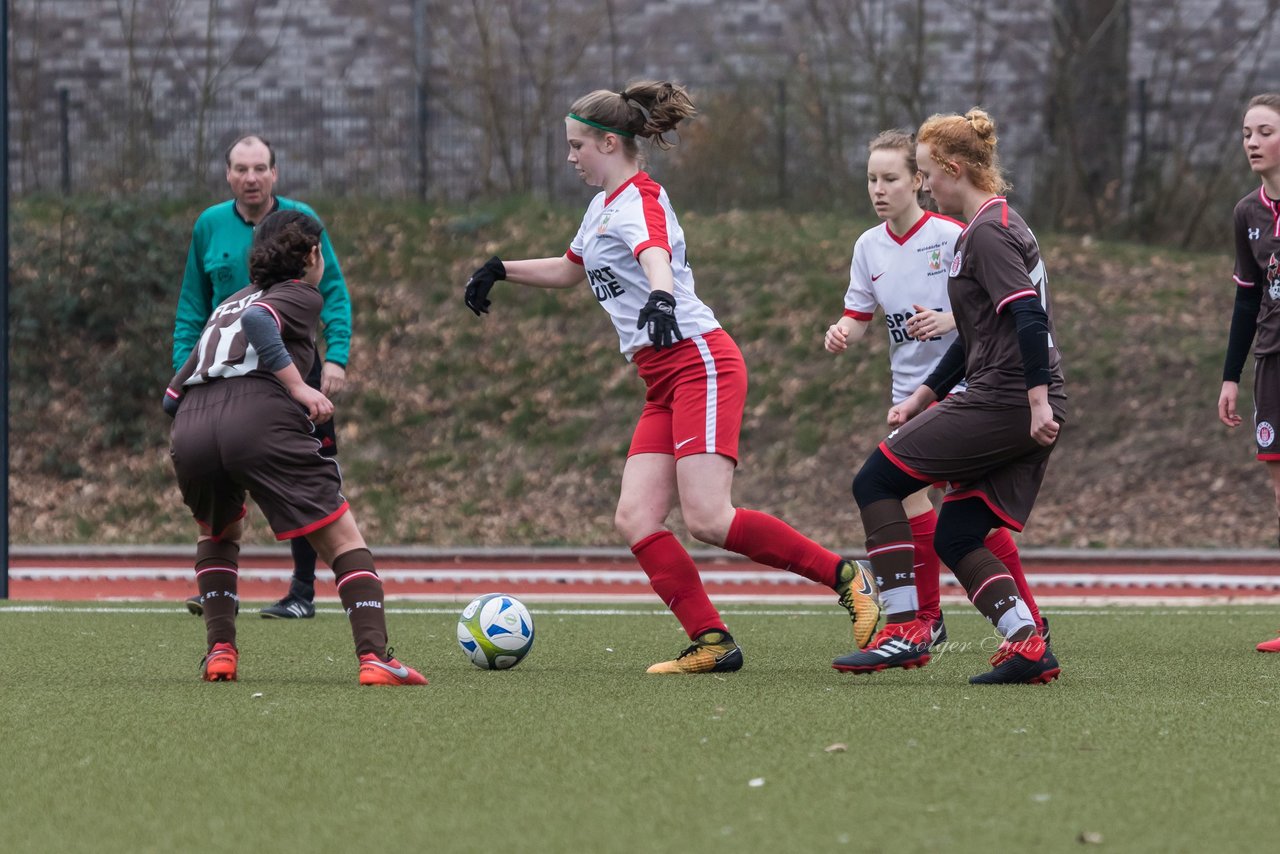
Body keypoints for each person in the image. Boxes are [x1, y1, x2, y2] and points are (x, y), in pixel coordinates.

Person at [462, 80, 881, 674]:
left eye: (578, 145)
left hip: (698, 361)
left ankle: (846, 577)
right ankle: (712, 641)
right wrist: (498, 269)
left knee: (709, 518)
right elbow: (566, 271)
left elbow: (654, 254)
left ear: (610, 143)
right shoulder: (602, 207)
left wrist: (660, 298)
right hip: (661, 379)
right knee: (635, 517)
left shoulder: (642, 198)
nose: (571, 156)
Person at [832, 108, 1064, 684]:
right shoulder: (994, 223)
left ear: (953, 169)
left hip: (1005, 397)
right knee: (957, 532)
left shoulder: (983, 231)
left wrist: (1036, 399)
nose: (923, 182)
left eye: (925, 172)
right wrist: (923, 395)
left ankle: (904, 630)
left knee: (877, 482)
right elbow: (982, 331)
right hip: (1006, 393)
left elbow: (1029, 319)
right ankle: (1027, 643)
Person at [165, 209, 426, 686]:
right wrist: (299, 388)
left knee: (219, 532)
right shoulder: (299, 294)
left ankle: (221, 651)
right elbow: (263, 321)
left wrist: (204, 425)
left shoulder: (227, 303)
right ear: (311, 255)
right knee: (342, 538)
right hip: (257, 417)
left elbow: (172, 393)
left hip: (191, 426)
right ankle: (374, 659)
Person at [172, 134, 353, 620]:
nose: (250, 177)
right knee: (224, 469)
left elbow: (333, 288)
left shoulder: (299, 222)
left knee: (305, 479)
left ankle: (301, 591)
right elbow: (193, 302)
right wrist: (184, 369)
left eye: (259, 168)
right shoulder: (209, 224)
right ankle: (219, 588)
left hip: (290, 369)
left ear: (275, 173)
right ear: (228, 174)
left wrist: (334, 358)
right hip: (224, 376)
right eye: (240, 168)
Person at [1216, 93, 1280, 653]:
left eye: (1264, 131)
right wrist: (1230, 376)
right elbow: (1245, 302)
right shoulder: (1247, 213)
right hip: (1271, 364)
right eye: (1246, 133)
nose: (1253, 143)